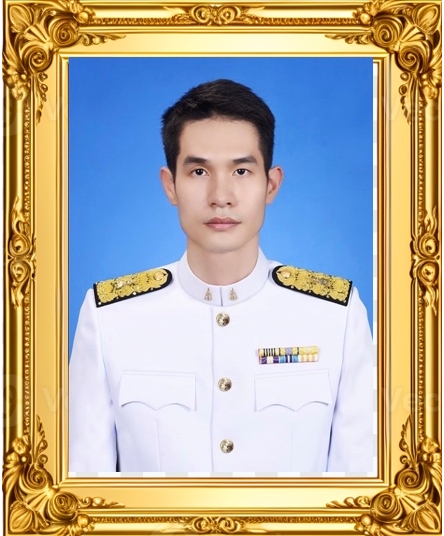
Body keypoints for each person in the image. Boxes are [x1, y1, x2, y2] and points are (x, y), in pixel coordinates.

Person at [69, 79, 374, 474]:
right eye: (198, 171)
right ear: (170, 185)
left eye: (242, 170)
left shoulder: (336, 317)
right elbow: (82, 492)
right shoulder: (109, 318)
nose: (221, 195)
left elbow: (361, 490)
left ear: (271, 184)